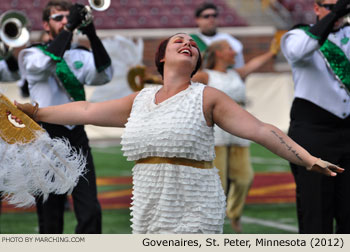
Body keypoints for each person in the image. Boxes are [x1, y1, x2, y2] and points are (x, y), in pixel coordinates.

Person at [14, 33, 343, 234]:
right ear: (162, 57)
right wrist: (36, 112)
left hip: (195, 203)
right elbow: (85, 110)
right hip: (147, 203)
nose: (187, 43)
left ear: (197, 60)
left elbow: (259, 129)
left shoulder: (207, 96)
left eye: (193, 44)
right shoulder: (140, 99)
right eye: (178, 41)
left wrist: (306, 158)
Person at [18, 0, 113, 234]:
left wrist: (91, 34)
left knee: (90, 209)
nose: (63, 22)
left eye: (66, 18)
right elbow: (42, 65)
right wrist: (70, 28)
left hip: (76, 135)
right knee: (51, 216)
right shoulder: (32, 53)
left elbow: (104, 75)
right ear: (45, 24)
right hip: (44, 139)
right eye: (58, 18)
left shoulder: (79, 53)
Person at [192, 39, 279, 233]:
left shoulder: (236, 74)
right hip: (217, 133)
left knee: (244, 178)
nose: (234, 52)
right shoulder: (206, 76)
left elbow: (253, 65)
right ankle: (208, 220)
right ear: (219, 54)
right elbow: (180, 82)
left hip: (240, 131)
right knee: (219, 183)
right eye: (230, 49)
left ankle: (234, 213)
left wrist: (272, 53)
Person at [281, 0, 350, 233]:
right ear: (317, 8)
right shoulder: (298, 35)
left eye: (340, 5)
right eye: (330, 6)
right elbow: (299, 52)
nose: (336, 10)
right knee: (316, 211)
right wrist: (335, 16)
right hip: (313, 131)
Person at [190, 2, 244, 68]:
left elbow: (239, 66)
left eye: (214, 15)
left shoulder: (229, 39)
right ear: (197, 20)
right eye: (206, 16)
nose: (211, 19)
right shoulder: (191, 40)